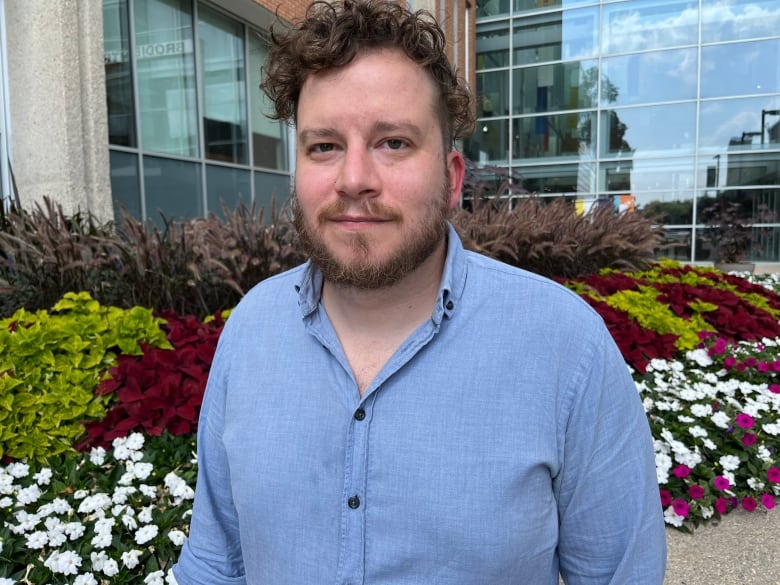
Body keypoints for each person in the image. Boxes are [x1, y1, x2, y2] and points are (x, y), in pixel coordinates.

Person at [172, 1, 667, 583]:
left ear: (452, 178)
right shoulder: (251, 330)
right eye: (324, 146)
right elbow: (216, 563)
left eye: (394, 143)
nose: (354, 178)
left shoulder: (566, 347)